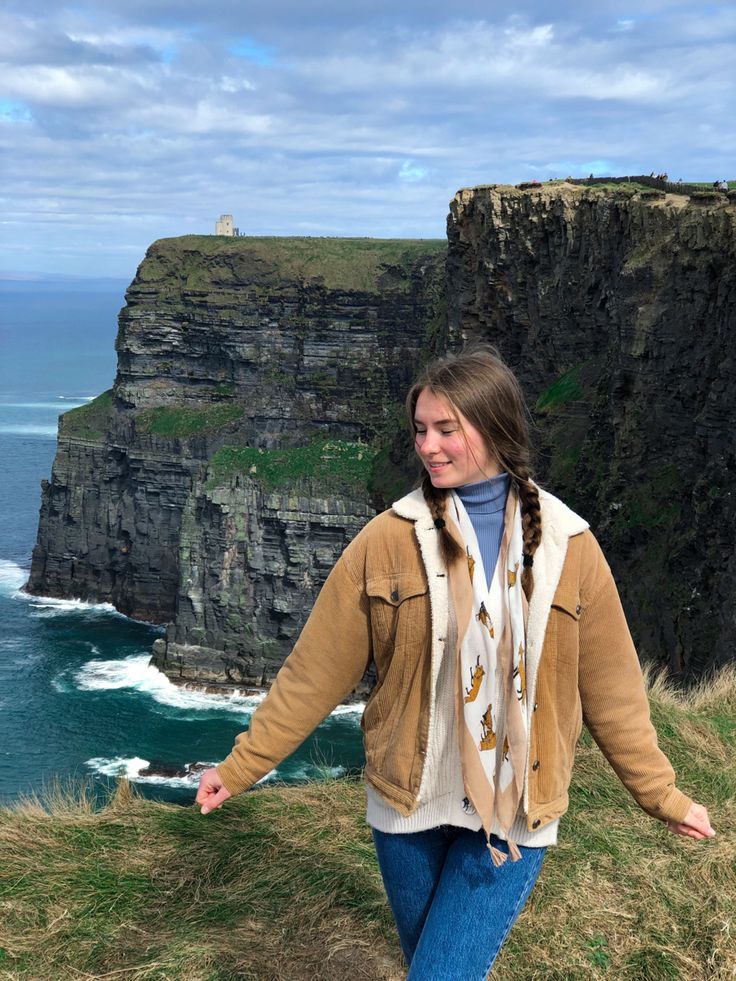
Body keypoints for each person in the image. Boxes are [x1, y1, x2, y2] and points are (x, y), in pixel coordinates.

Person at [196, 345, 715, 979]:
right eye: (420, 429)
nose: (428, 446)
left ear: (496, 428)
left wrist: (662, 796)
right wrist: (243, 765)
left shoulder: (569, 546)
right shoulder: (387, 539)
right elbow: (316, 670)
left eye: (448, 429)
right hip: (408, 805)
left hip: (516, 809)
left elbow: (613, 687)